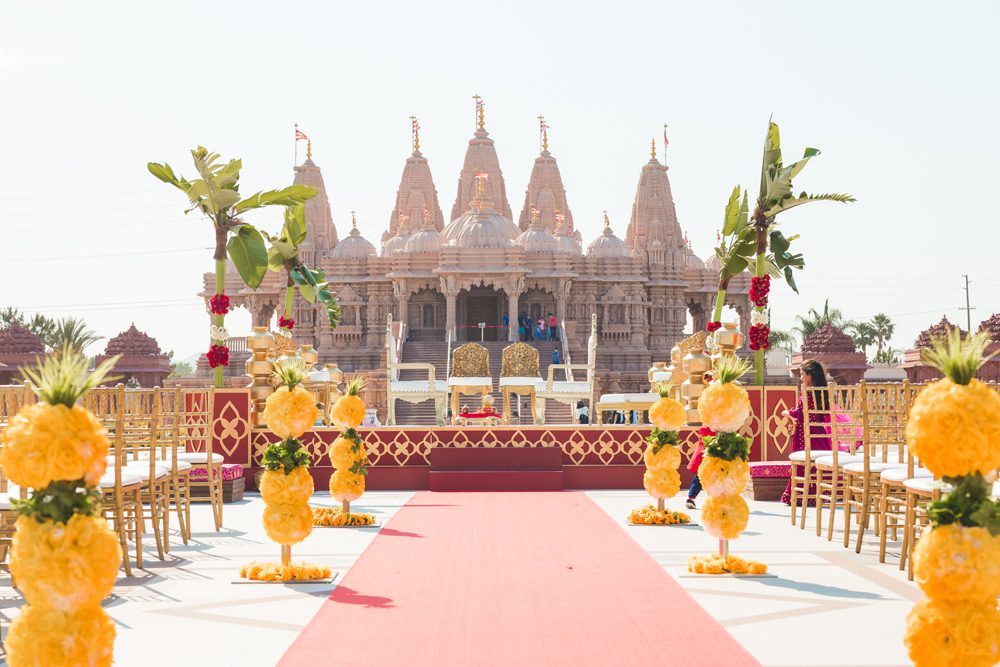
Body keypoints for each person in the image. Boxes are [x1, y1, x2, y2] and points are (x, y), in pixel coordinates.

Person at [780, 359, 832, 505]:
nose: (801, 377)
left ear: (810, 376)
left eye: (803, 374)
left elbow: (803, 414)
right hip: (819, 434)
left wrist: (788, 412)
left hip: (806, 434)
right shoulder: (822, 392)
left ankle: (803, 494)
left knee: (803, 463)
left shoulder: (808, 392)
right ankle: (820, 493)